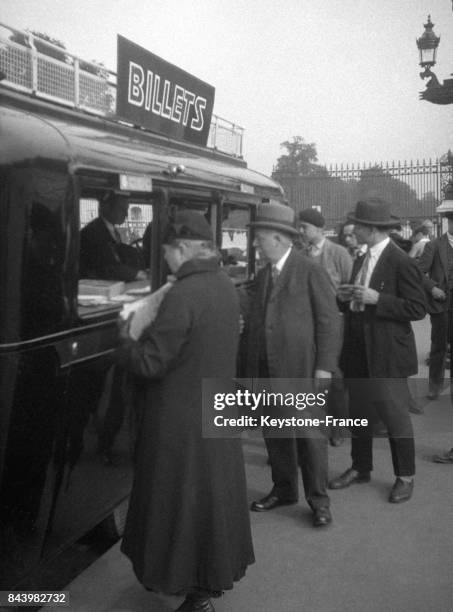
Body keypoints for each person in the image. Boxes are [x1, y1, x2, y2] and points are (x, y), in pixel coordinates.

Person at [115, 211, 254, 612]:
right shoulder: (227, 286)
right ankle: (203, 590)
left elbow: (150, 363)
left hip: (179, 421)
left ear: (182, 250)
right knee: (211, 503)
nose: (168, 264)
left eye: (168, 255)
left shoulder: (182, 295)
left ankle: (186, 587)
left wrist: (124, 335)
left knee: (179, 505)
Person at [242, 202, 340, 527]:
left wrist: (324, 366)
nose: (255, 244)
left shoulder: (310, 270)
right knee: (276, 433)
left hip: (302, 371)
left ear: (279, 238)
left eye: (260, 238)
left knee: (311, 437)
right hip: (268, 370)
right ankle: (284, 489)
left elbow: (329, 322)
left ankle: (319, 501)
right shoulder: (263, 274)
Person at [329, 198, 426, 503]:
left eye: (357, 224)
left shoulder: (401, 261)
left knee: (395, 416)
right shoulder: (360, 257)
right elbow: (358, 301)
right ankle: (361, 468)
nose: (352, 228)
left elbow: (417, 308)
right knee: (359, 414)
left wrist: (377, 299)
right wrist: (344, 298)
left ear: (370, 229)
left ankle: (405, 477)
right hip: (358, 350)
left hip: (387, 355)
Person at [299, 208, 353, 446]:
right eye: (299, 227)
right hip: (305, 322)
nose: (301, 231)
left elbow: (351, 285)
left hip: (333, 323)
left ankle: (339, 427)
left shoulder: (338, 253)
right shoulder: (300, 254)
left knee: (334, 374)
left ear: (319, 229)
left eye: (305, 227)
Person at [418, 212, 453, 400]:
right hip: (441, 303)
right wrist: (432, 289)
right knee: (439, 346)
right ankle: (434, 386)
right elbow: (418, 272)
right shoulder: (434, 245)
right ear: (449, 222)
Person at [79, 191, 146, 281]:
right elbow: (107, 265)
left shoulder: (111, 229)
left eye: (126, 210)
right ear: (107, 208)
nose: (126, 214)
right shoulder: (93, 232)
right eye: (122, 209)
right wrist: (136, 274)